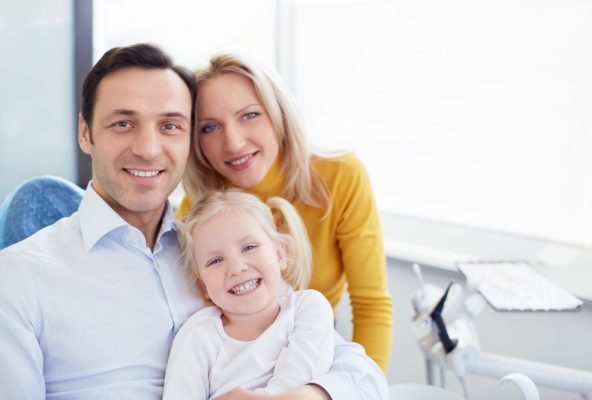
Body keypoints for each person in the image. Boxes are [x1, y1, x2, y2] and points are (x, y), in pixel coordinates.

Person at [0, 43, 389, 400]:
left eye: (170, 126)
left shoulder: (231, 252)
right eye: (123, 123)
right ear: (85, 133)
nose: (148, 148)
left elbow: (363, 376)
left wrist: (308, 395)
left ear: (188, 141)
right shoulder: (19, 279)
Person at [178, 51, 394, 370]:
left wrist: (366, 385)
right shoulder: (197, 210)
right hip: (233, 364)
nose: (234, 143)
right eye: (210, 127)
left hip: (316, 357)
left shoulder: (340, 176)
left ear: (279, 113)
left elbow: (371, 306)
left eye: (249, 115)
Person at [163, 190, 335, 399]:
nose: (236, 268)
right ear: (203, 285)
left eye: (249, 247)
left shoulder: (308, 309)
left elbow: (293, 385)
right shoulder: (197, 338)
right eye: (215, 261)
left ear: (279, 254)